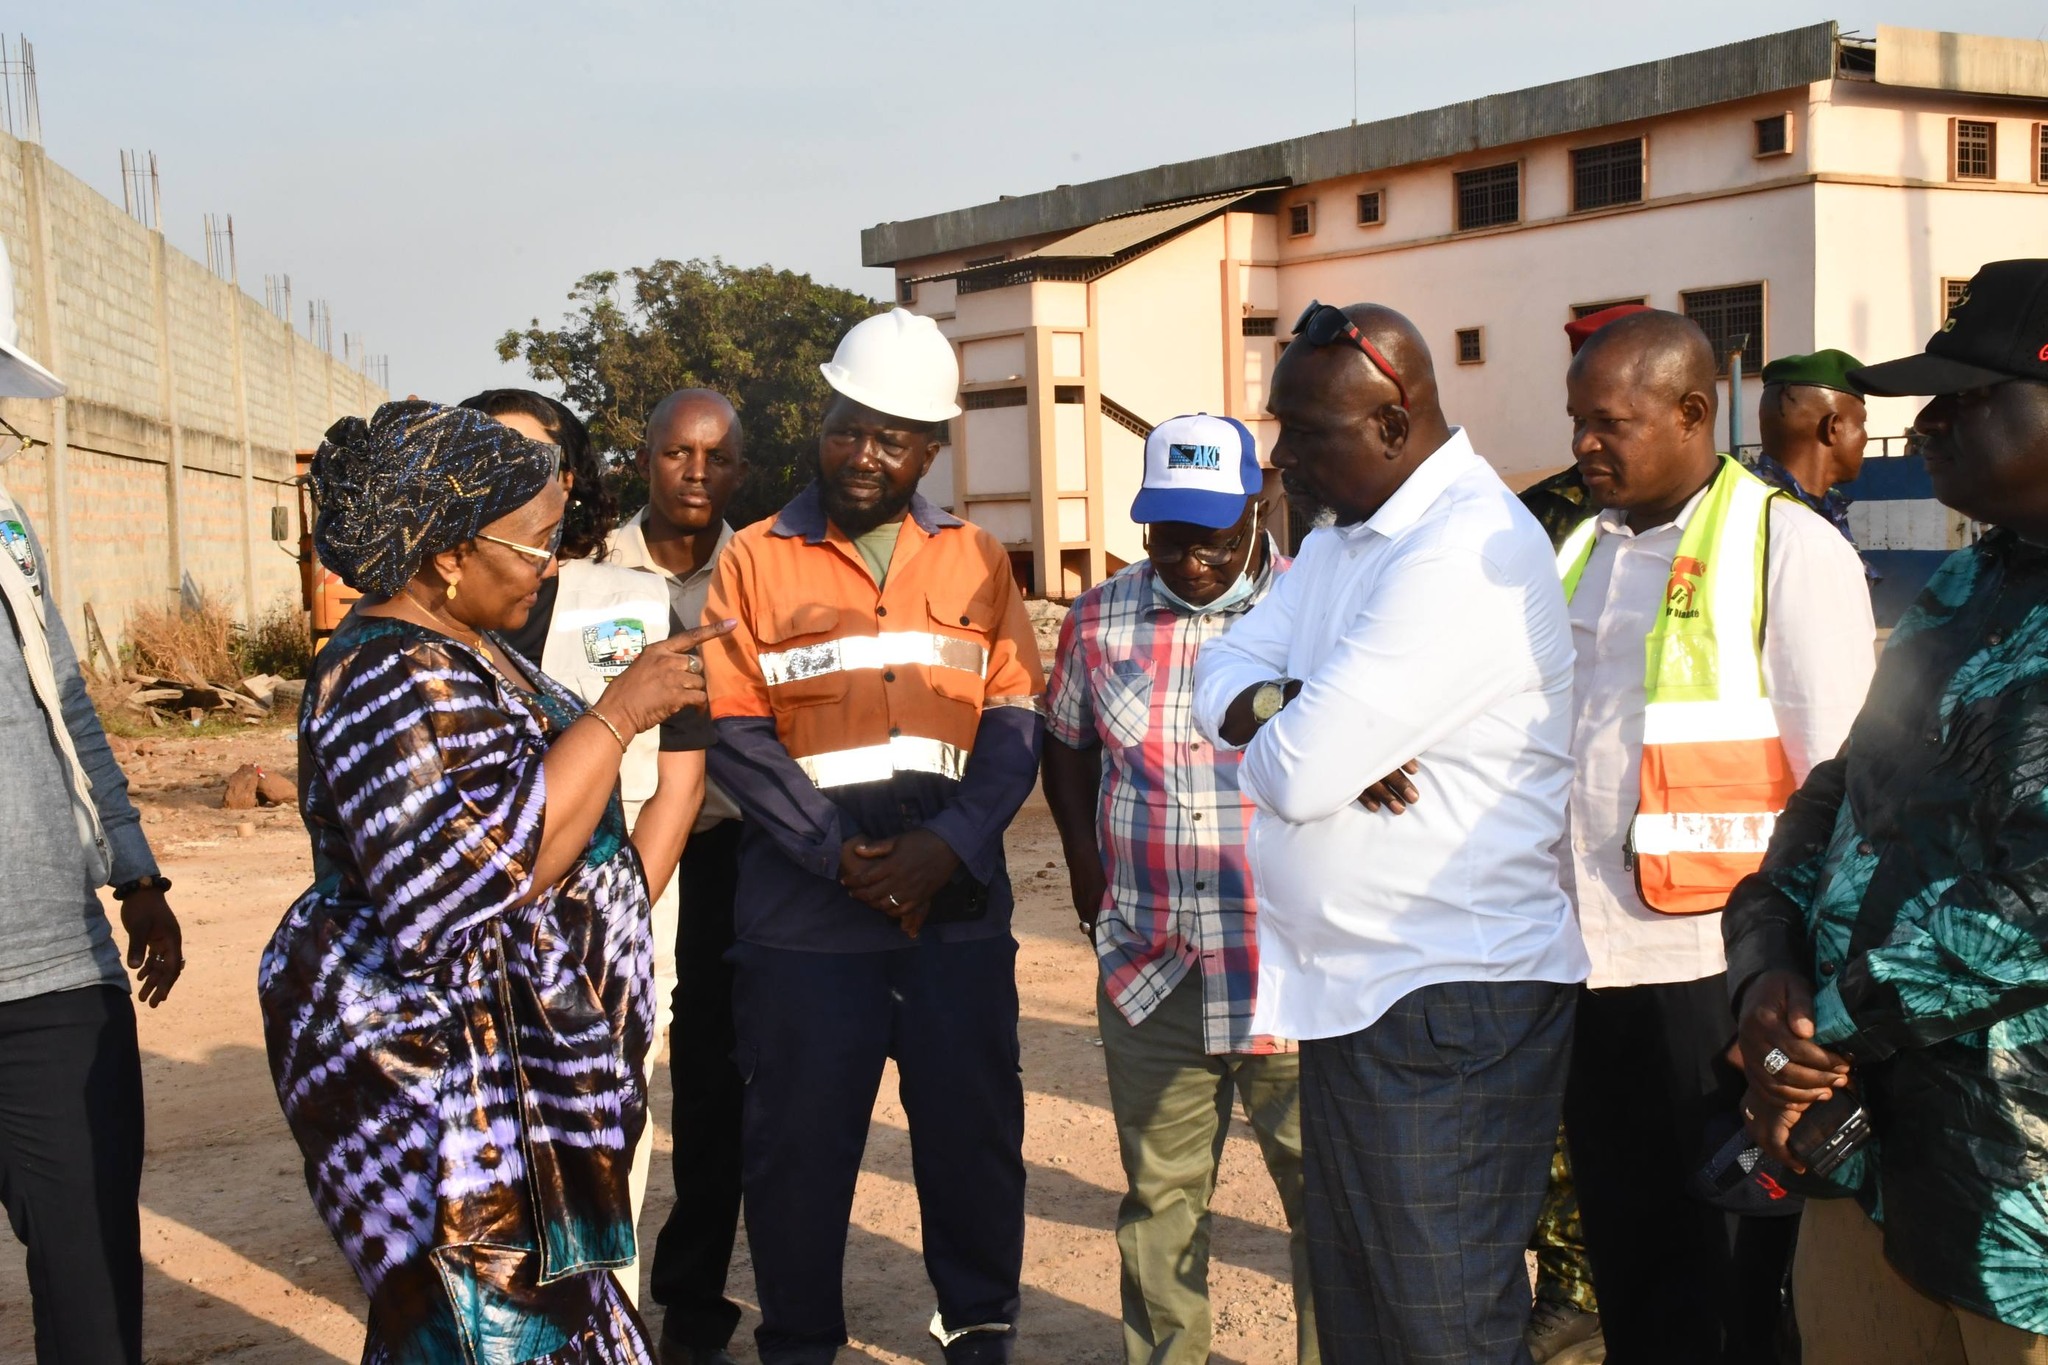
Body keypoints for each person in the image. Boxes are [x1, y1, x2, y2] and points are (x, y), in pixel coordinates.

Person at [258, 399, 729, 1362]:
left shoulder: (467, 647)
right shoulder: (387, 674)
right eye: (533, 546)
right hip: (455, 1109)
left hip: (515, 1094)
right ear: (447, 555)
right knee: (488, 1333)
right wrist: (618, 712)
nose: (549, 568)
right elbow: (465, 885)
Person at [1191, 301, 1590, 1364]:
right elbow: (1213, 674)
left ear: (1391, 425)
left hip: (1446, 998)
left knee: (1440, 1326)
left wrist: (1299, 723)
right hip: (1362, 990)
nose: (1278, 459)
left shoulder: (1462, 546)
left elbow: (1295, 775)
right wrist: (1299, 704)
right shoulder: (1341, 539)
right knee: (1363, 1310)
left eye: (1302, 433)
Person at [698, 308, 1043, 1364]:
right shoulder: (753, 561)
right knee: (796, 1154)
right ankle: (799, 1343)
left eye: (893, 435)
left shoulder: (979, 560)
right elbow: (733, 730)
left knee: (971, 1145)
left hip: (955, 919)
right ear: (825, 419)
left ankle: (977, 1329)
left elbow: (1013, 720)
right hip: (807, 920)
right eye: (850, 425)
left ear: (930, 448)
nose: (864, 452)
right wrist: (833, 854)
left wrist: (953, 843)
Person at [1726, 258, 2048, 1364]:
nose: (1926, 424)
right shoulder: (1968, 582)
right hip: (1871, 1161)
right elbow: (1843, 786)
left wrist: (1817, 1025)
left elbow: (2030, 902)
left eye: (1965, 399)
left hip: (2021, 1202)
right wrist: (1762, 956)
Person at [1555, 310, 1876, 1364]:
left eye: (1608, 424)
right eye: (1575, 424)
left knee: (1740, 1287)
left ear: (1693, 414)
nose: (1582, 447)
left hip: (1720, 985)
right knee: (1634, 1263)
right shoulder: (1575, 553)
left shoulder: (1786, 548)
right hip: (1587, 969)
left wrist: (1802, 999)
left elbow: (1843, 789)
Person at [1043, 412, 1317, 1365]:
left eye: (1210, 532)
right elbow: (1066, 743)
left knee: (1323, 1206)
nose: (1189, 558)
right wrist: (1085, 869)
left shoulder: (1316, 612)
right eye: (1167, 533)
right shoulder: (1100, 618)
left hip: (1291, 968)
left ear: (1258, 506)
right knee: (1161, 1202)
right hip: (1153, 961)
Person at [459, 387, 712, 1308]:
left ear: (572, 479)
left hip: (611, 930)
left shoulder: (636, 606)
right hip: (468, 946)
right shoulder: (422, 619)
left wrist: (618, 912)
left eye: (534, 460)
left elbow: (677, 776)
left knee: (606, 1157)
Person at [0, 245, 183, 1364]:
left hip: (55, 970)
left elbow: (65, 702)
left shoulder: (5, 529)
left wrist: (136, 869)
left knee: (93, 1295)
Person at [1518, 299, 1654, 1365]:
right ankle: (1568, 1282)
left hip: (1678, 877)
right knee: (1567, 1106)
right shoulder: (1534, 520)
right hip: (1548, 853)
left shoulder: (1735, 524)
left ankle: (1592, 1285)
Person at [612, 389, 753, 1365]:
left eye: (715, 458)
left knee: (713, 1090)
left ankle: (692, 1303)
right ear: (646, 460)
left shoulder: (762, 576)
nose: (694, 474)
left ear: (738, 470)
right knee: (610, 1079)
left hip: (731, 855)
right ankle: (595, 1297)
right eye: (676, 454)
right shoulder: (581, 580)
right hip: (612, 847)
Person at [1752, 350, 1875, 572]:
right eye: (1861, 424)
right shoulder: (1788, 523)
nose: (1864, 437)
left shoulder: (1741, 503)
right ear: (1833, 428)